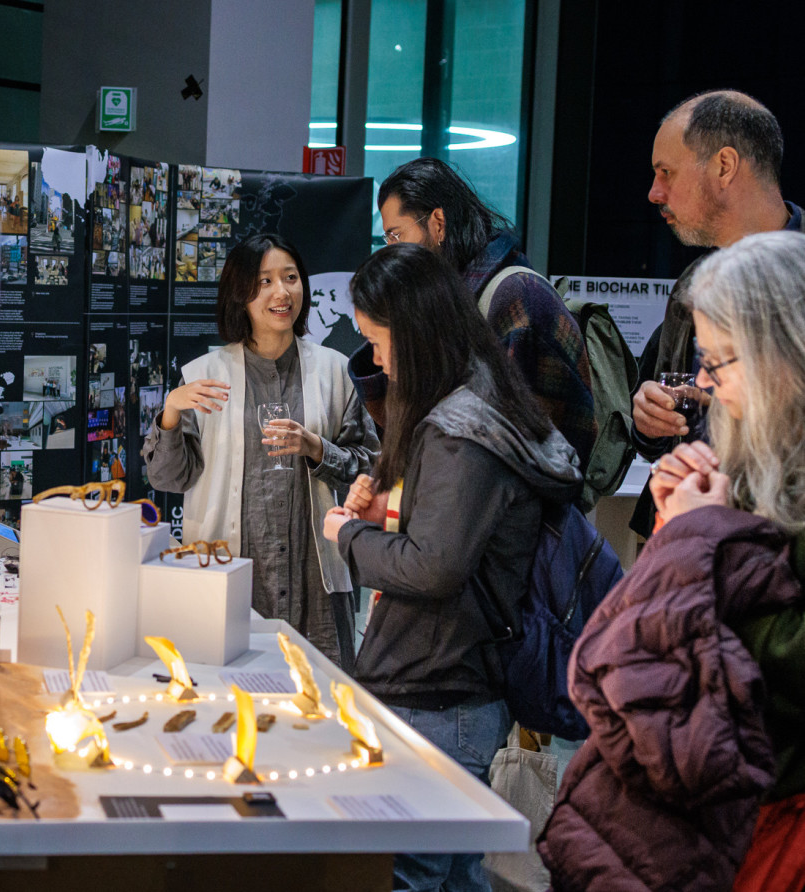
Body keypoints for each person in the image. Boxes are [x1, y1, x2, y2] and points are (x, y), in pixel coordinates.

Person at [539, 231, 805, 892]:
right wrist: (683, 528)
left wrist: (693, 538)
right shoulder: (755, 464)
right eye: (704, 362)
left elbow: (763, 663)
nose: (707, 387)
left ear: (787, 353)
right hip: (729, 814)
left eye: (721, 362)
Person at [324, 244, 581, 892]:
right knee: (455, 873)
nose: (377, 360)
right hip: (458, 688)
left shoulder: (460, 429)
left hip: (439, 691)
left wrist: (348, 535)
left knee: (413, 875)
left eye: (378, 342)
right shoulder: (483, 401)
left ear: (413, 332)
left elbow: (435, 566)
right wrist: (389, 500)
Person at [142, 233, 379, 670]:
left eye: (290, 278)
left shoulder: (334, 371)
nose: (281, 292)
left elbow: (369, 465)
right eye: (265, 281)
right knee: (229, 705)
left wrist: (316, 448)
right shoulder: (205, 376)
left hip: (315, 580)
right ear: (240, 295)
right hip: (230, 572)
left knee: (318, 705)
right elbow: (169, 479)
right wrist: (170, 413)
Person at [630, 89, 803, 536]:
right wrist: (649, 418)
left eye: (666, 172)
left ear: (724, 166)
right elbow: (656, 433)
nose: (654, 192)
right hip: (689, 545)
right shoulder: (693, 285)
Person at [355, 157, 596, 474]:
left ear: (438, 223)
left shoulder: (516, 295)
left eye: (396, 236)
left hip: (504, 511)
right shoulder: (447, 302)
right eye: (386, 240)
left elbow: (532, 449)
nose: (391, 251)